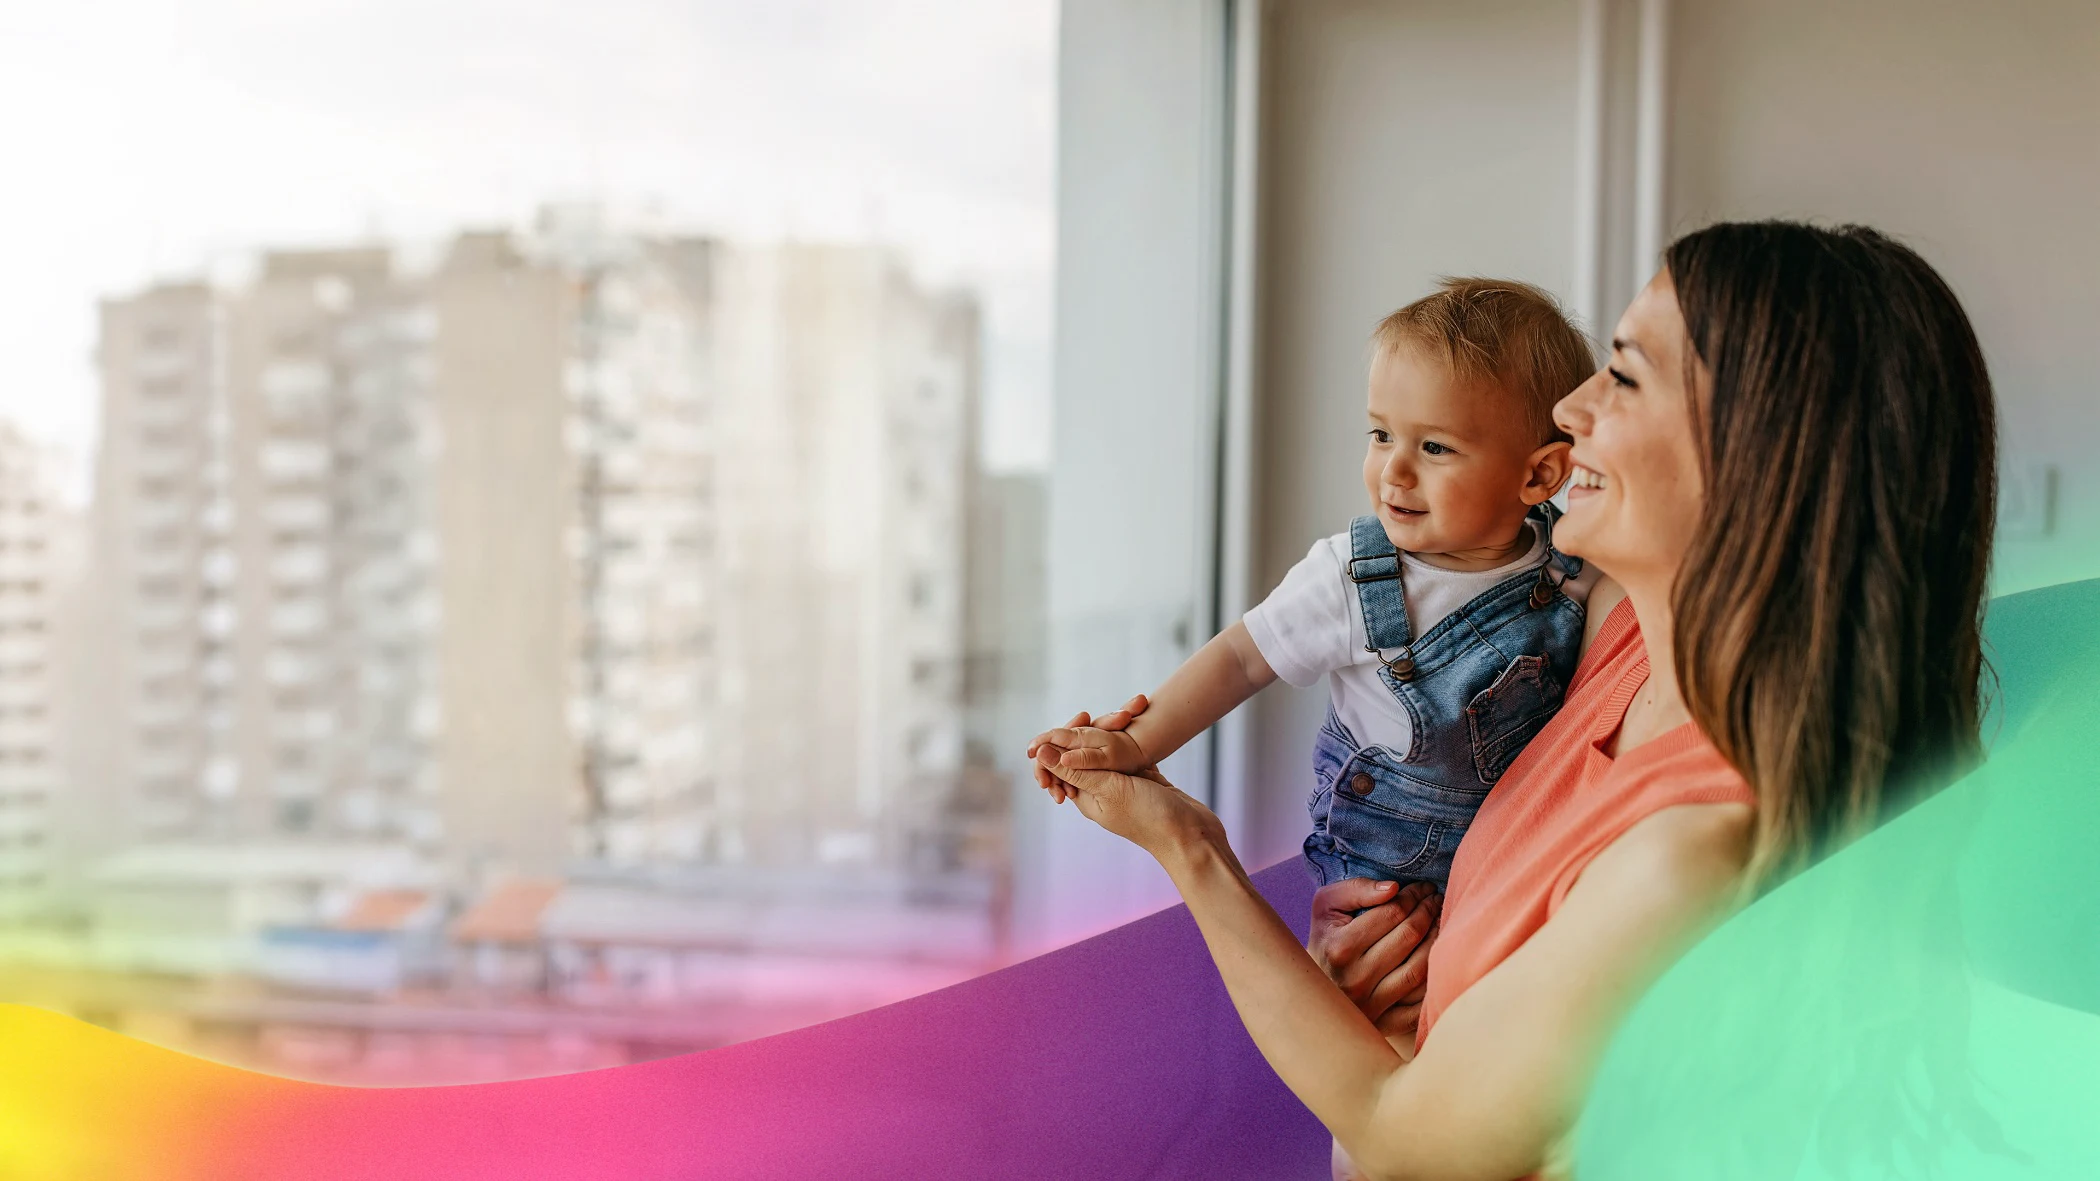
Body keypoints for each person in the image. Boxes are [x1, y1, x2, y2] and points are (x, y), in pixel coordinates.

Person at [1032, 221, 1997, 1181]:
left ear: (1757, 456)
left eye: (1621, 376)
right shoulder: (1614, 638)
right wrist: (1366, 982)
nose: (1571, 410)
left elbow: (1404, 1137)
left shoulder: (1691, 849)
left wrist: (1186, 846)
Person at [1028, 278, 1599, 898]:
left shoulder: (1572, 565)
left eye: (1435, 446)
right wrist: (1134, 743)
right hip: (1382, 877)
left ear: (1540, 474)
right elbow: (1241, 659)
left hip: (1512, 868)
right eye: (1381, 435)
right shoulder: (1352, 578)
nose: (1393, 470)